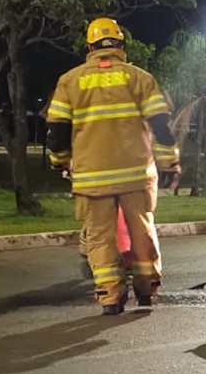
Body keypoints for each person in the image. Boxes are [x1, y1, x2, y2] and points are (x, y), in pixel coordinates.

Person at [46, 18, 181, 315]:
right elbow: (161, 126)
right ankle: (146, 290)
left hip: (91, 178)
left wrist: (59, 162)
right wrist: (170, 162)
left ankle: (110, 297)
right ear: (120, 44)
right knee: (142, 231)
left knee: (99, 237)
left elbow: (56, 132)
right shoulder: (139, 78)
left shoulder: (70, 81)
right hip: (135, 175)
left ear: (90, 46)